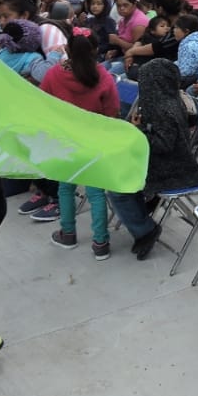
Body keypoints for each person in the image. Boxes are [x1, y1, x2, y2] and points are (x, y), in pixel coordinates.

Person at [109, 58, 198, 259]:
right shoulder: (164, 100)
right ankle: (143, 211)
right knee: (120, 175)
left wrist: (138, 130)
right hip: (168, 161)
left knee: (118, 187)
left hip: (175, 168)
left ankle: (145, 230)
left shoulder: (163, 108)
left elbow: (163, 144)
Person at [40, 28, 120, 258]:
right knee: (96, 192)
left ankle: (68, 234)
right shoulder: (103, 77)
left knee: (65, 187)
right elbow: (112, 112)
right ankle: (100, 244)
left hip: (64, 140)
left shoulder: (53, 75)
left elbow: (43, 105)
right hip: (94, 140)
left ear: (66, 49)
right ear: (96, 50)